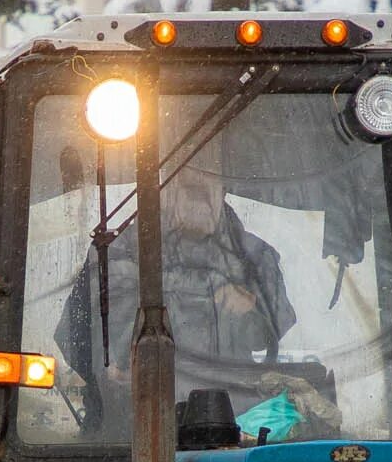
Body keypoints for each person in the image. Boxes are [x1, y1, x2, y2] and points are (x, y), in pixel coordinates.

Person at [57, 150, 300, 423]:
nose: (197, 174)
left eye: (209, 167)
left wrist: (250, 311)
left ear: (224, 184)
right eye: (184, 167)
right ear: (161, 180)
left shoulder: (255, 258)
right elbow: (76, 337)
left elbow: (270, 335)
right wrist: (111, 371)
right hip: (133, 425)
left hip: (232, 426)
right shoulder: (113, 252)